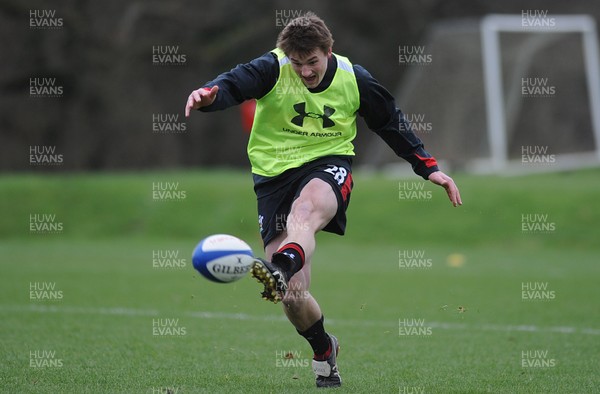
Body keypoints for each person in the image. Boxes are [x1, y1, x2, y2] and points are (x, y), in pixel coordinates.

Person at [185, 12, 462, 388]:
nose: (305, 72)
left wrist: (427, 167)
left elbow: (390, 122)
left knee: (306, 211)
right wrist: (209, 95)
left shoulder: (354, 78)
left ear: (328, 51)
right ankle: (323, 348)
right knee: (293, 296)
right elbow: (233, 84)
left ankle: (280, 266)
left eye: (312, 62)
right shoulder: (273, 66)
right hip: (273, 178)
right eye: (297, 64)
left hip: (328, 164)